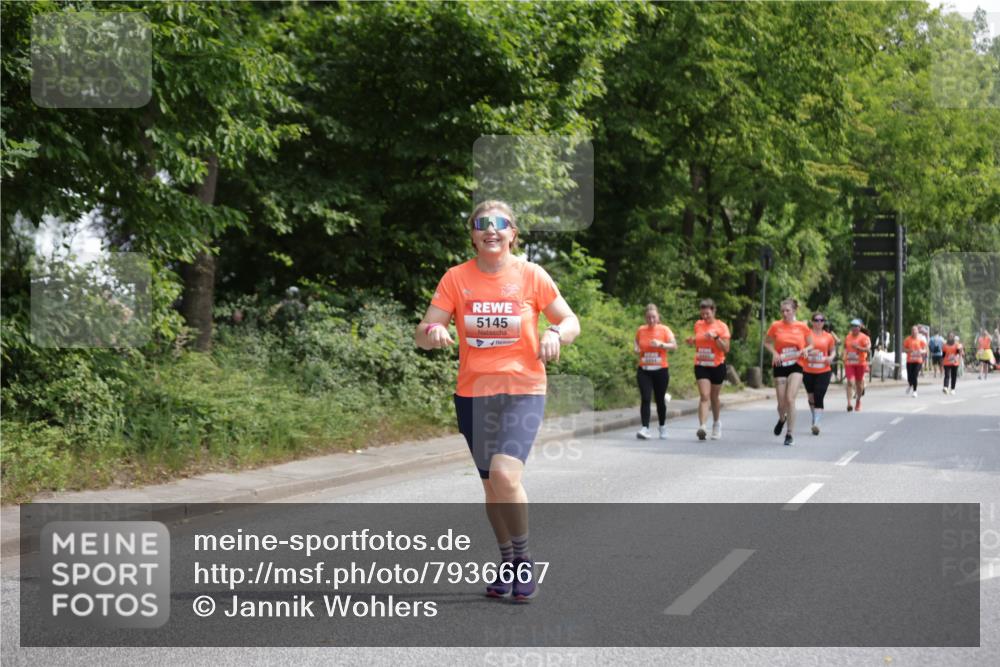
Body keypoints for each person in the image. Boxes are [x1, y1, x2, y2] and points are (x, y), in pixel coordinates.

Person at [415, 200, 580, 602]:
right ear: (472, 234)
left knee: (506, 477)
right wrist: (432, 333)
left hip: (523, 390)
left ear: (513, 234)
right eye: (482, 223)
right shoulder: (456, 278)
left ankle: (523, 561)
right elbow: (425, 329)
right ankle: (506, 559)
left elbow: (569, 320)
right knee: (492, 487)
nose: (491, 229)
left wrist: (556, 335)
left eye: (500, 223)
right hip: (473, 394)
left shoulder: (531, 275)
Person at [764, 298, 813, 446]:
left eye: (788, 311)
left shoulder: (802, 327)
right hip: (780, 364)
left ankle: (790, 433)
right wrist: (774, 352)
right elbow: (767, 342)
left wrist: (805, 349)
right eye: (783, 311)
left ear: (794, 311)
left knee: (790, 399)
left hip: (796, 364)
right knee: (781, 403)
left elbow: (811, 344)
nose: (785, 314)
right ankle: (782, 419)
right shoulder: (775, 326)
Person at [684, 298, 731, 441]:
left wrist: (716, 337)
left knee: (714, 397)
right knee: (704, 396)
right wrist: (692, 341)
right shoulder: (698, 325)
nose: (704, 317)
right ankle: (702, 427)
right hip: (701, 364)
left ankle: (716, 424)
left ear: (713, 311)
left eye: (707, 314)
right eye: (702, 314)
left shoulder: (722, 326)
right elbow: (698, 341)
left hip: (717, 365)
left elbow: (726, 348)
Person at [634, 304, 676, 439]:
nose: (651, 320)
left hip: (661, 370)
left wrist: (661, 344)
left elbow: (674, 345)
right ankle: (645, 428)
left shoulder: (664, 330)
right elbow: (636, 341)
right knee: (645, 398)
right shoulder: (641, 330)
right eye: (648, 317)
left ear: (658, 317)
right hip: (644, 370)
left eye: (653, 317)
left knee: (659, 400)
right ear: (645, 318)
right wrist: (636, 348)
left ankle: (662, 426)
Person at [802, 312, 836, 435]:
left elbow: (833, 351)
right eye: (816, 320)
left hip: (824, 370)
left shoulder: (828, 337)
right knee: (811, 397)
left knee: (819, 395)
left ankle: (816, 423)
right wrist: (808, 353)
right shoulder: (806, 335)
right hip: (808, 370)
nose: (819, 322)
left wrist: (831, 357)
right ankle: (815, 416)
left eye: (821, 320)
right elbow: (800, 350)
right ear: (812, 322)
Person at [844, 319, 872, 412]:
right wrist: (843, 355)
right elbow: (845, 348)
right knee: (850, 382)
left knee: (859, 384)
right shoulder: (848, 337)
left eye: (856, 326)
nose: (854, 328)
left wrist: (858, 348)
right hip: (849, 363)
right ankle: (849, 403)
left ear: (860, 328)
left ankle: (858, 400)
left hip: (860, 363)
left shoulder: (864, 337)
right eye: (852, 326)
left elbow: (868, 350)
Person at [902, 325, 928, 397]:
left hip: (918, 361)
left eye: (915, 330)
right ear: (911, 332)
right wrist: (909, 350)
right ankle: (910, 384)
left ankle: (915, 391)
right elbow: (903, 349)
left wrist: (922, 351)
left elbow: (926, 349)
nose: (914, 332)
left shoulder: (920, 340)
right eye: (912, 330)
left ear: (917, 331)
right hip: (910, 360)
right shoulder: (907, 339)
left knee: (915, 375)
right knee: (909, 376)